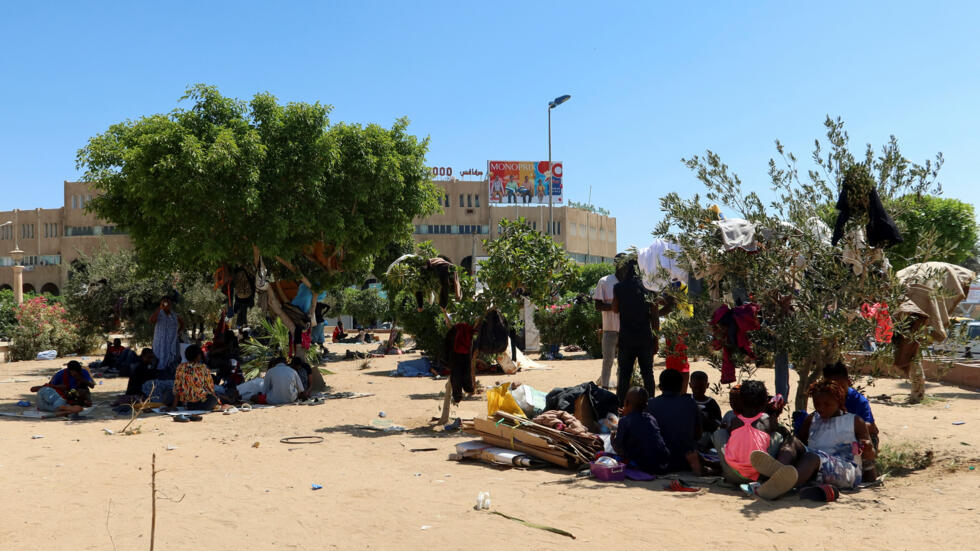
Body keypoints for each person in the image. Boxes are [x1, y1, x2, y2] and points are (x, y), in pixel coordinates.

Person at [752, 379, 876, 500]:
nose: (821, 408)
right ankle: (778, 472)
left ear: (839, 401)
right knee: (792, 441)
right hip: (815, 465)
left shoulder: (854, 421)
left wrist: (868, 447)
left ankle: (780, 486)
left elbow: (870, 455)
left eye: (827, 404)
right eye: (817, 404)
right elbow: (799, 443)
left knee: (811, 457)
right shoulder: (812, 419)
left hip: (846, 470)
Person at [712, 380, 794, 497]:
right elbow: (782, 432)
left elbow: (730, 435)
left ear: (741, 401)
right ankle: (768, 472)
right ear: (764, 403)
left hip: (732, 474)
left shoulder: (735, 421)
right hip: (758, 474)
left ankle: (741, 465)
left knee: (719, 434)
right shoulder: (766, 420)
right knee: (777, 436)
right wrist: (775, 413)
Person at [612, 259, 657, 403]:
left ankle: (621, 406)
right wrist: (656, 339)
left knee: (624, 375)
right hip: (645, 337)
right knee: (648, 374)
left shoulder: (619, 287)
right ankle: (651, 404)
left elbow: (614, 309)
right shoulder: (649, 287)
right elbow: (655, 316)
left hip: (626, 338)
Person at [646, 369, 702, 474]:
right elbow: (698, 435)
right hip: (685, 460)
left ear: (660, 387)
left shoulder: (650, 404)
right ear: (681, 386)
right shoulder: (690, 403)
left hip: (659, 461)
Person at [613, 387, 671, 473]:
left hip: (643, 465)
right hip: (663, 464)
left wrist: (613, 441)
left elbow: (620, 447)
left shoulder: (625, 421)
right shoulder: (652, 418)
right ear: (646, 405)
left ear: (626, 402)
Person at [822, 361, 879, 450]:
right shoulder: (823, 398)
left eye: (841, 387)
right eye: (832, 388)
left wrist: (844, 426)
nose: (837, 392)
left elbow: (872, 428)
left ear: (848, 382)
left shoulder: (859, 401)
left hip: (854, 437)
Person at [593, 256, 626, 389]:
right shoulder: (605, 281)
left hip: (626, 330)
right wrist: (616, 307)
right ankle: (604, 389)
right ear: (615, 264)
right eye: (622, 263)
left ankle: (621, 390)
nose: (624, 266)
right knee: (608, 362)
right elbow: (597, 305)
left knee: (624, 363)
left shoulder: (630, 283)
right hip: (610, 329)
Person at [30, 360, 94, 417]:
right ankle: (74, 402)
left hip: (76, 393)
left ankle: (82, 400)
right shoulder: (61, 374)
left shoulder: (84, 372)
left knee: (82, 393)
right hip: (65, 394)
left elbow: (92, 386)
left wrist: (80, 379)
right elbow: (48, 386)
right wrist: (59, 387)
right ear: (69, 371)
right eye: (73, 374)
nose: (74, 376)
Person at [171, 344, 222, 411]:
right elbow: (210, 388)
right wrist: (218, 400)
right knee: (214, 398)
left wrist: (174, 406)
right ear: (198, 356)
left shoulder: (180, 367)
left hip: (188, 405)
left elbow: (177, 388)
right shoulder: (203, 368)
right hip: (203, 403)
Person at [150, 295, 184, 375]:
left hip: (172, 342)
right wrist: (160, 308)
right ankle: (159, 374)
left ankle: (171, 375)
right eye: (165, 302)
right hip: (160, 342)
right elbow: (151, 320)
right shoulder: (159, 313)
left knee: (173, 360)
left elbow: (182, 324)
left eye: (168, 302)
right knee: (159, 359)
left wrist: (178, 332)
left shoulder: (175, 315)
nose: (166, 304)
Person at [690, 370, 723, 438]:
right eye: (695, 387)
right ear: (690, 385)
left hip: (706, 437)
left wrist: (703, 419)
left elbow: (718, 424)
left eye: (701, 387)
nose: (698, 390)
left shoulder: (711, 403)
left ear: (707, 385)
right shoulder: (687, 400)